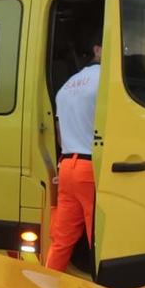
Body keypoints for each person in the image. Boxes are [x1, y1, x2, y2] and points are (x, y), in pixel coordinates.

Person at [46, 43, 101, 271]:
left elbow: (60, 135)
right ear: (97, 49)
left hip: (67, 166)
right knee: (98, 241)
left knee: (61, 240)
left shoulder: (66, 86)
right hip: (91, 167)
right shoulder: (105, 82)